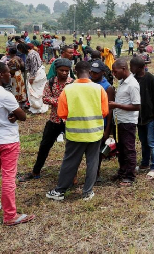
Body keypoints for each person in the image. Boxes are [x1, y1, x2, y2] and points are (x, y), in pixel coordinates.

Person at [45, 61, 108, 201]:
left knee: (70, 161)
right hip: (95, 132)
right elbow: (104, 111)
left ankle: (60, 191)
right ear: (90, 71)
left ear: (75, 70)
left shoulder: (68, 90)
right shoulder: (99, 89)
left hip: (75, 133)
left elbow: (62, 113)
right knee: (93, 161)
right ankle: (87, 192)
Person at [0, 61, 34, 225]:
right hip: (8, 141)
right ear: (0, 75)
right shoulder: (5, 94)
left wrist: (12, 114)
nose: (10, 75)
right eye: (7, 73)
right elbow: (23, 116)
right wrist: (15, 115)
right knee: (8, 177)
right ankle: (10, 215)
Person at [19, 59, 74, 181]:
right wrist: (61, 101)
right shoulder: (50, 82)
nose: (64, 73)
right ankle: (35, 172)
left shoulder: (73, 84)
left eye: (67, 71)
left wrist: (56, 101)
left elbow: (73, 102)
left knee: (71, 149)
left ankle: (71, 175)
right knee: (44, 146)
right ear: (56, 70)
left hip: (69, 121)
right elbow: (45, 98)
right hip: (54, 120)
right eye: (62, 70)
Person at [110, 59, 141, 186]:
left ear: (123, 68)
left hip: (128, 122)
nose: (113, 74)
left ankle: (130, 176)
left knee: (129, 149)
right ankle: (122, 171)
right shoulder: (123, 82)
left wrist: (116, 105)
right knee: (121, 148)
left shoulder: (132, 84)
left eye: (115, 71)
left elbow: (137, 106)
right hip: (120, 120)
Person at [130, 57, 154, 179]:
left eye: (132, 66)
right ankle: (144, 163)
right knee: (143, 141)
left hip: (150, 117)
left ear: (139, 68)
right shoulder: (133, 80)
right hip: (139, 117)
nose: (130, 68)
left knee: (152, 141)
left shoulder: (150, 79)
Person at [88, 61, 115, 182]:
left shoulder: (107, 87)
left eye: (96, 73)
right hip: (87, 122)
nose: (93, 74)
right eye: (91, 72)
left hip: (101, 123)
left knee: (97, 151)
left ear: (103, 73)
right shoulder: (87, 82)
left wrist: (107, 129)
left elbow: (109, 111)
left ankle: (96, 174)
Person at [19, 43, 48, 114]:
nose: (20, 52)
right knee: (39, 90)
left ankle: (37, 107)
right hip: (40, 73)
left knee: (34, 91)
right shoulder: (34, 52)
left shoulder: (31, 55)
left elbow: (34, 67)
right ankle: (40, 106)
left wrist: (32, 77)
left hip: (36, 74)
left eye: (20, 50)